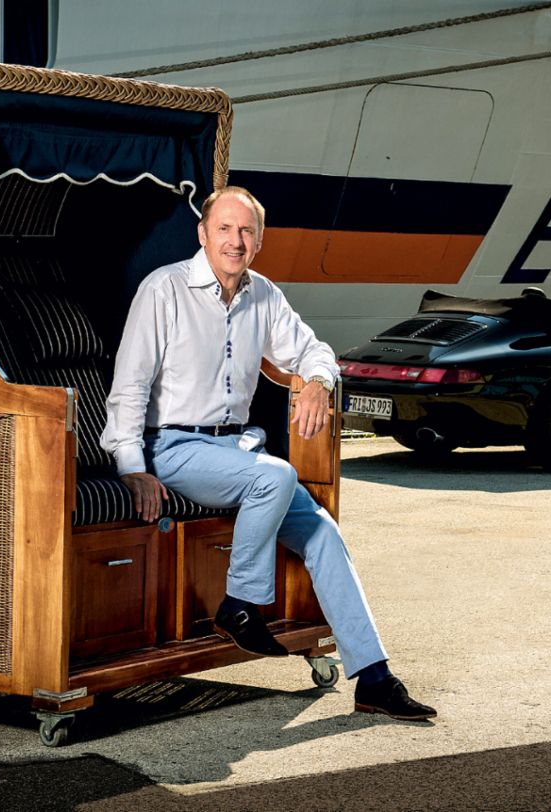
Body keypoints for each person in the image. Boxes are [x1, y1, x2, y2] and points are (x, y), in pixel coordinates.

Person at [100, 186, 436, 721]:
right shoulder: (163, 290)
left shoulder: (264, 295)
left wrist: (317, 384)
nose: (236, 241)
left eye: (247, 231)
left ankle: (373, 677)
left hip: (235, 449)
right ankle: (239, 605)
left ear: (259, 241)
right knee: (275, 477)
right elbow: (130, 385)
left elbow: (313, 351)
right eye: (225, 229)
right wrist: (132, 467)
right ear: (203, 235)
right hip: (172, 446)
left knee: (324, 533)